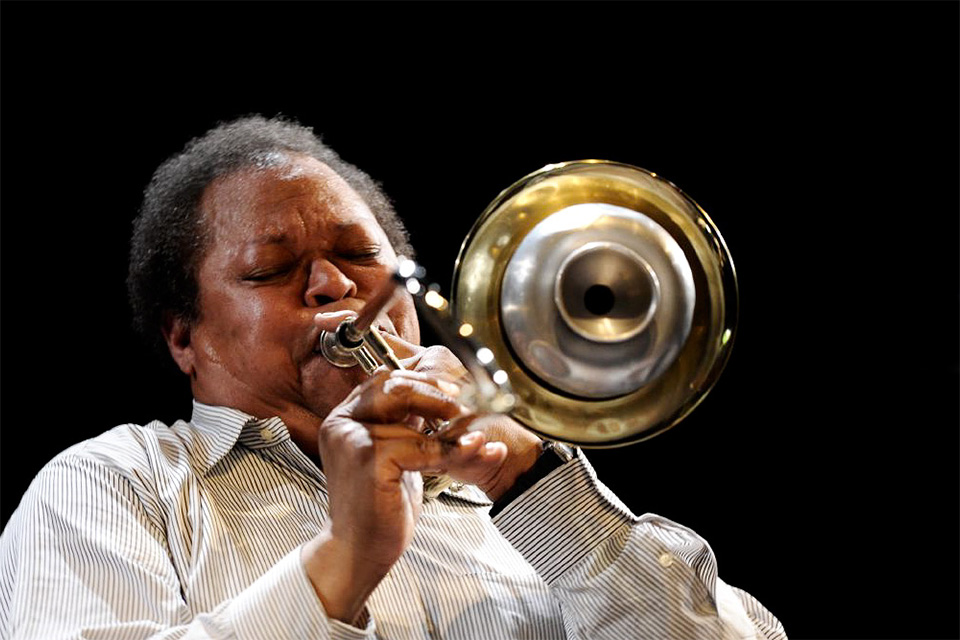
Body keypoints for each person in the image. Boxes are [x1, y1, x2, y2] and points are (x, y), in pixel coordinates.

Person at [0, 115, 786, 640]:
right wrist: (344, 557)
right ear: (184, 337)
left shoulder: (515, 504)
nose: (333, 288)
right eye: (274, 269)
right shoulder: (111, 484)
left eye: (360, 257)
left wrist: (535, 483)